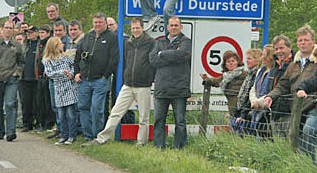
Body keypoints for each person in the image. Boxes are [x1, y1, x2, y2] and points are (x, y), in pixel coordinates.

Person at [82, 17, 155, 147]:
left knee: (144, 117)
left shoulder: (151, 42)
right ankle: (101, 139)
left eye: (138, 28)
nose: (135, 30)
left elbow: (153, 62)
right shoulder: (128, 43)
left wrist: (150, 76)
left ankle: (141, 142)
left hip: (143, 84)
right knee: (115, 112)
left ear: (142, 28)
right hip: (127, 84)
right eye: (133, 28)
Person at [263, 25, 317, 153]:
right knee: (294, 146)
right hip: (295, 109)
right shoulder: (294, 64)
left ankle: (311, 167)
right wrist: (270, 96)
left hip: (312, 107)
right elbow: (283, 85)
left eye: (306, 40)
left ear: (313, 42)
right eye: (300, 40)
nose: (303, 43)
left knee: (308, 139)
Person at [74, 12, 118, 140]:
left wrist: (106, 75)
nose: (97, 25)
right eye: (95, 22)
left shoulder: (111, 38)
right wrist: (77, 72)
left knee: (96, 108)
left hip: (100, 80)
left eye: (100, 22)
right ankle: (88, 136)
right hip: (84, 80)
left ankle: (97, 136)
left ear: (105, 23)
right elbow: (78, 55)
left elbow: (114, 58)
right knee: (83, 107)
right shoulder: (88, 36)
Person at [150, 16, 192, 149]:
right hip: (161, 87)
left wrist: (162, 54)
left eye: (176, 25)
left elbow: (183, 55)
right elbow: (153, 60)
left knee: (180, 121)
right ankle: (159, 147)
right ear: (167, 27)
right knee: (158, 120)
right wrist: (173, 54)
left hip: (179, 88)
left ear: (181, 27)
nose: (174, 28)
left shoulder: (186, 41)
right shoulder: (160, 42)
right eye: (171, 25)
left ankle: (179, 148)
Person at [0, 21, 24, 142]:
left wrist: (17, 73)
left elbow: (21, 62)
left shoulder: (16, 45)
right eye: (6, 28)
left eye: (10, 28)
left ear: (13, 30)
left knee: (10, 104)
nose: (8, 30)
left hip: (11, 79)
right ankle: (0, 131)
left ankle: (11, 132)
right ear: (2, 29)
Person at [43, 37, 78, 145]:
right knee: (61, 114)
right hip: (58, 89)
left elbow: (73, 67)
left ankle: (72, 135)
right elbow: (50, 74)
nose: (63, 44)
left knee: (71, 114)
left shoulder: (65, 57)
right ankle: (63, 135)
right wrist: (64, 72)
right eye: (60, 43)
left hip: (70, 88)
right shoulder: (47, 60)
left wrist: (70, 74)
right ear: (55, 45)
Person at [200, 50, 247, 117]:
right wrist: (207, 79)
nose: (231, 63)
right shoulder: (226, 76)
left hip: (243, 109)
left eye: (233, 61)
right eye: (228, 61)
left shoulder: (245, 74)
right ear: (225, 64)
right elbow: (216, 81)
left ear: (237, 62)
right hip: (232, 108)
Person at [232, 49, 262, 135]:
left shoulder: (256, 75)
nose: (247, 61)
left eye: (249, 58)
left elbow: (249, 96)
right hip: (242, 111)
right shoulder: (249, 74)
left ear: (257, 60)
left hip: (249, 113)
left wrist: (243, 115)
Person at [249, 44, 276, 139]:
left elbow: (272, 90)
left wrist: (259, 102)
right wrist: (253, 100)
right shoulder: (261, 70)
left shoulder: (274, 72)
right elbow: (253, 89)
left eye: (264, 54)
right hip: (256, 108)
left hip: (266, 110)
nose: (262, 57)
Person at [35, 24, 55, 132]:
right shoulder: (40, 44)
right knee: (40, 101)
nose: (41, 35)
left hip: (48, 76)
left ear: (48, 33)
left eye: (43, 32)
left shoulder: (49, 43)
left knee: (48, 101)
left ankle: (48, 123)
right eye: (40, 32)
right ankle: (41, 122)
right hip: (40, 76)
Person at [20, 26, 39, 132]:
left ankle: (38, 122)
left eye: (31, 32)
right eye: (28, 33)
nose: (29, 34)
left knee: (37, 102)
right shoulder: (25, 45)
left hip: (36, 77)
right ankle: (27, 123)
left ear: (36, 33)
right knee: (26, 102)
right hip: (25, 77)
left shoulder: (39, 44)